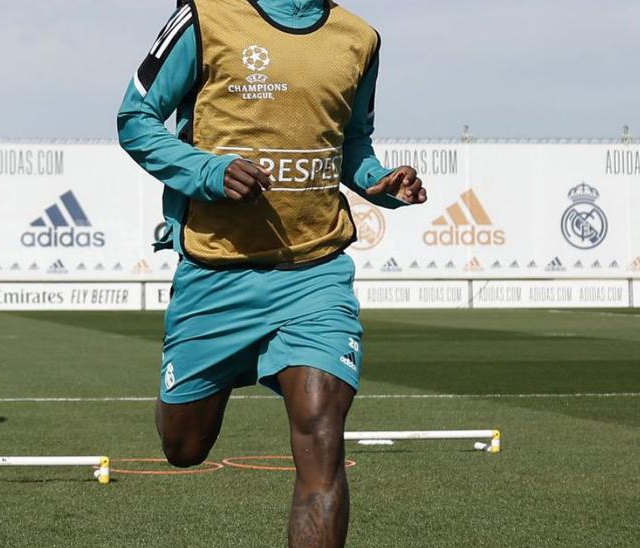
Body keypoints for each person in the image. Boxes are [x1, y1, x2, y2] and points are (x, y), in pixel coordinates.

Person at [117, 1, 427, 546]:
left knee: (322, 440)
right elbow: (135, 119)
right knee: (184, 448)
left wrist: (377, 180)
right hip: (216, 274)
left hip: (315, 272)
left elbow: (351, 142)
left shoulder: (360, 38)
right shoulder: (204, 17)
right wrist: (207, 170)